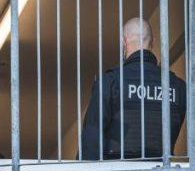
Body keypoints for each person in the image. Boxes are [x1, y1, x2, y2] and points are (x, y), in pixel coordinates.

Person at [79, 17, 187, 161]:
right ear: (152, 42)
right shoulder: (177, 86)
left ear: (124, 42)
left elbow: (91, 139)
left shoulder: (111, 81)